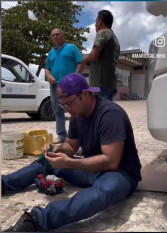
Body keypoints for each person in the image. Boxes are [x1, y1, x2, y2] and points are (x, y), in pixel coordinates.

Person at [2, 73, 142, 232]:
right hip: (89, 169)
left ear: (85, 94)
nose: (67, 111)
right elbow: (71, 145)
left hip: (118, 173)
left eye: (69, 104)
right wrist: (57, 151)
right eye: (63, 106)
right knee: (46, 161)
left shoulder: (110, 115)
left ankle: (37, 220)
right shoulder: (78, 114)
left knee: (107, 189)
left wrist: (70, 162)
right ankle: (3, 183)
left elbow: (111, 162)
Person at [45, 28, 82, 144]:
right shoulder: (51, 52)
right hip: (55, 86)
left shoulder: (72, 48)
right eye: (53, 35)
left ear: (63, 35)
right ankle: (61, 135)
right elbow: (47, 68)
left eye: (57, 34)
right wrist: (49, 77)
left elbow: (80, 63)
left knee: (76, 110)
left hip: (70, 85)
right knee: (57, 110)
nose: (55, 36)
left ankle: (78, 136)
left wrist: (75, 78)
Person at [77, 9, 120, 101]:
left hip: (99, 86)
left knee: (97, 113)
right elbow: (100, 59)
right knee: (106, 112)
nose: (95, 25)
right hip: (110, 85)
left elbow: (94, 56)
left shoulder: (103, 32)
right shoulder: (115, 39)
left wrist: (84, 59)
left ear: (100, 22)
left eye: (96, 22)